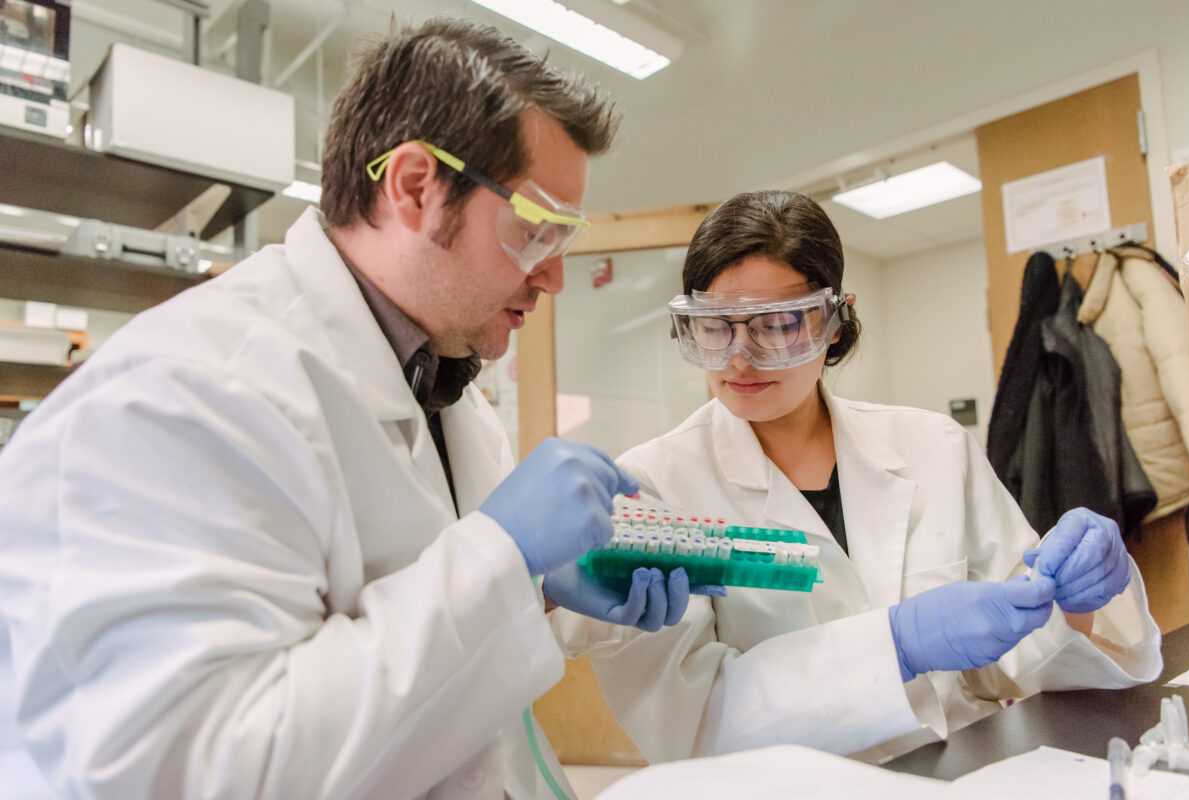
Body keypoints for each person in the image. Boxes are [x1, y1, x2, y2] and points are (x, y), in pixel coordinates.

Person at [0, 18, 696, 800]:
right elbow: (193, 770)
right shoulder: (183, 393)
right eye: (535, 230)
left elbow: (422, 651)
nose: (552, 278)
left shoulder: (445, 390)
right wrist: (502, 554)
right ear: (414, 186)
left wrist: (535, 584)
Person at [552, 190, 1163, 763]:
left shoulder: (935, 448)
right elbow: (694, 722)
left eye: (777, 324)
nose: (739, 356)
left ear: (833, 322)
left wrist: (1079, 601)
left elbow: (1015, 661)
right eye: (715, 325)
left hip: (965, 774)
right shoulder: (652, 485)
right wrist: (895, 645)